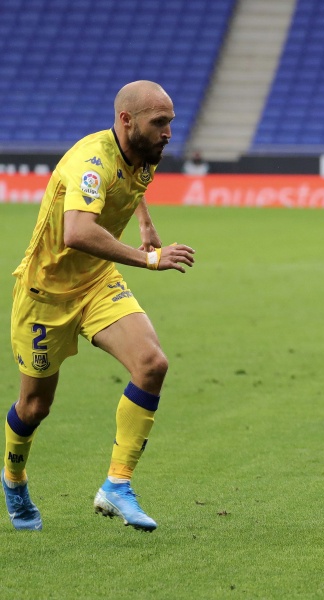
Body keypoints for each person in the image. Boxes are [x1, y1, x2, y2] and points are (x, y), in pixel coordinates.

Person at [3, 80, 195, 532]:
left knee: (151, 364)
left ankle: (117, 485)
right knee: (35, 407)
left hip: (97, 283)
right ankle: (13, 479)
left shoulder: (143, 151)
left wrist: (145, 223)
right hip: (45, 295)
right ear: (127, 121)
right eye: (160, 122)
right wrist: (150, 259)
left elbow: (132, 184)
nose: (169, 133)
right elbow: (77, 232)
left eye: (170, 122)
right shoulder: (91, 163)